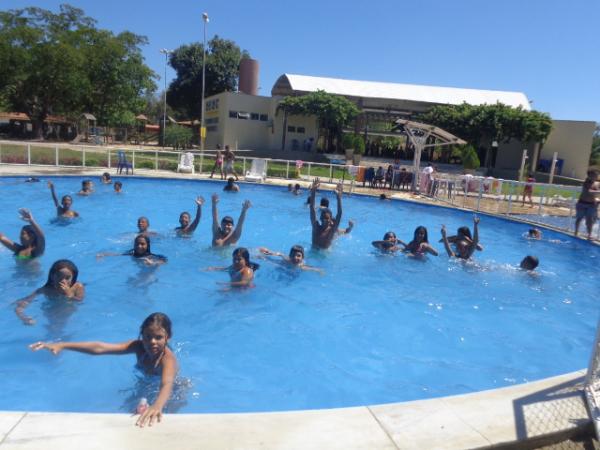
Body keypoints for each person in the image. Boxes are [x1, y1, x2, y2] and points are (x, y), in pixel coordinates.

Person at [29, 312, 177, 428]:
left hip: (172, 391)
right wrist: (62, 345)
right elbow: (100, 348)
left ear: (168, 337)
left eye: (158, 337)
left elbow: (167, 383)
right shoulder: (138, 347)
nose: (152, 341)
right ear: (141, 335)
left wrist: (157, 405)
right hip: (146, 383)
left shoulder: (167, 360)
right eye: (148, 336)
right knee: (129, 411)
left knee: (162, 417)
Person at [15, 259, 85, 325]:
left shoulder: (77, 287)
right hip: (52, 311)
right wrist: (24, 317)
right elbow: (22, 304)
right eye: (59, 276)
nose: (63, 281)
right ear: (52, 276)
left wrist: (70, 295)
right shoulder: (46, 290)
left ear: (73, 278)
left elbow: (80, 301)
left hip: (69, 311)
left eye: (67, 278)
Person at [309, 179, 343, 249]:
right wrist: (313, 191)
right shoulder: (316, 227)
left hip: (324, 256)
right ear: (320, 218)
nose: (325, 220)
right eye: (323, 218)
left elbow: (339, 214)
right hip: (313, 254)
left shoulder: (332, 230)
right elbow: (312, 209)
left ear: (330, 220)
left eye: (327, 218)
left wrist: (338, 197)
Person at [97, 234, 167, 266]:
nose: (139, 246)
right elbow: (118, 254)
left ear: (148, 245)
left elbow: (164, 260)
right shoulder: (132, 253)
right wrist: (102, 254)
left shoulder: (151, 256)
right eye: (137, 244)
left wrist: (154, 263)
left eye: (142, 244)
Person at [259, 245, 323, 273]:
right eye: (293, 255)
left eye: (298, 256)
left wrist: (319, 271)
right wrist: (269, 253)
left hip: (293, 270)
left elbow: (312, 268)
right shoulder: (287, 260)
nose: (295, 257)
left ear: (302, 257)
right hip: (286, 264)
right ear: (290, 256)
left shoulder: (301, 266)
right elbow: (280, 254)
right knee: (272, 261)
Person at [575, 170, 600, 239]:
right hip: (582, 203)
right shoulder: (585, 183)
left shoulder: (597, 183)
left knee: (590, 220)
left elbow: (595, 193)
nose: (595, 177)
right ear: (589, 176)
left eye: (596, 175)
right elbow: (590, 191)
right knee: (579, 218)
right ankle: (576, 231)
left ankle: (589, 234)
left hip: (592, 204)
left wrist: (597, 200)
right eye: (594, 175)